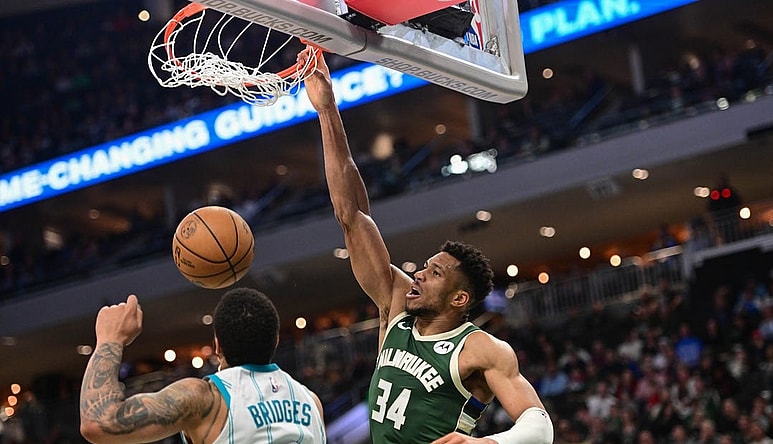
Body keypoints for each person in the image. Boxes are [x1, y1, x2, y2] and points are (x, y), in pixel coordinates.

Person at [300, 50, 553, 444]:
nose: (418, 273)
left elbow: (540, 426)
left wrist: (484, 443)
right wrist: (327, 110)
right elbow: (352, 215)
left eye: (435, 273)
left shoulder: (480, 348)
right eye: (425, 266)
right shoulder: (396, 305)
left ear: (459, 299)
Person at [79, 289, 326, 444]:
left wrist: (109, 340)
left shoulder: (207, 400)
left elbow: (98, 424)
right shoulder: (312, 402)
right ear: (276, 340)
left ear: (217, 346)